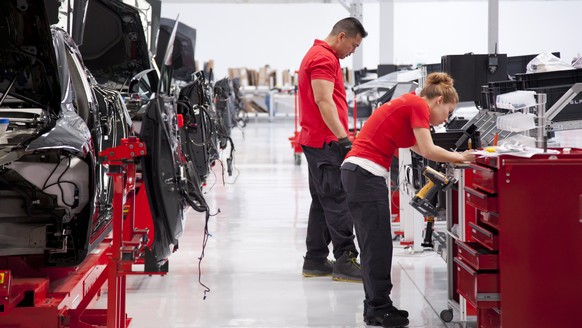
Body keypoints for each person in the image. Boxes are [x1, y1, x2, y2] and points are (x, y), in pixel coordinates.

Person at [340, 72, 475, 327]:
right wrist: (464, 158)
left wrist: (450, 155)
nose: (446, 118)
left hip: (360, 174)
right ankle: (379, 308)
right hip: (364, 175)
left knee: (374, 246)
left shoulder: (409, 103)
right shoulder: (417, 105)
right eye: (448, 111)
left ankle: (376, 307)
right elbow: (428, 150)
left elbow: (417, 145)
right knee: (377, 247)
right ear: (437, 101)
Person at [298, 17, 367, 282]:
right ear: (341, 36)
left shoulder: (320, 55)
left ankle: (315, 259)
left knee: (323, 200)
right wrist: (344, 139)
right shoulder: (324, 59)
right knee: (338, 200)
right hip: (326, 142)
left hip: (317, 140)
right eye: (354, 45)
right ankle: (345, 260)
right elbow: (323, 100)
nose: (353, 51)